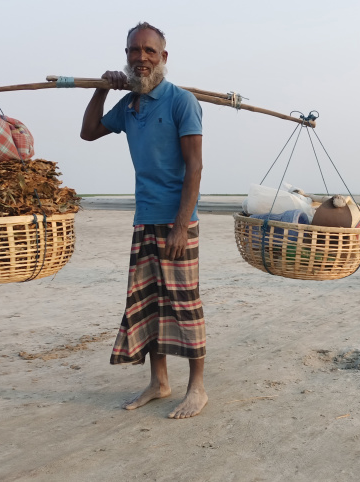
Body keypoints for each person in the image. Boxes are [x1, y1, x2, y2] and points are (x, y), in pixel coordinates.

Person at [80, 22, 208, 419]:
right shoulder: (130, 104)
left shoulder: (181, 101)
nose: (141, 58)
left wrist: (181, 225)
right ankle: (159, 381)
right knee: (148, 303)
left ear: (163, 58)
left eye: (150, 51)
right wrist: (102, 87)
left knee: (184, 304)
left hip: (177, 221)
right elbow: (88, 132)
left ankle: (198, 388)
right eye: (134, 51)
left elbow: (195, 167)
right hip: (144, 219)